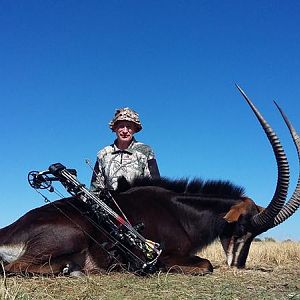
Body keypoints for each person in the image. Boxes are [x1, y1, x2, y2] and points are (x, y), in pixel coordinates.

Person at [90, 107, 160, 191]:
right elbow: (95, 188)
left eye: (129, 127)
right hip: (109, 203)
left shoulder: (145, 150)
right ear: (115, 128)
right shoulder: (103, 153)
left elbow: (156, 185)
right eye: (121, 126)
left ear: (134, 129)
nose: (125, 131)